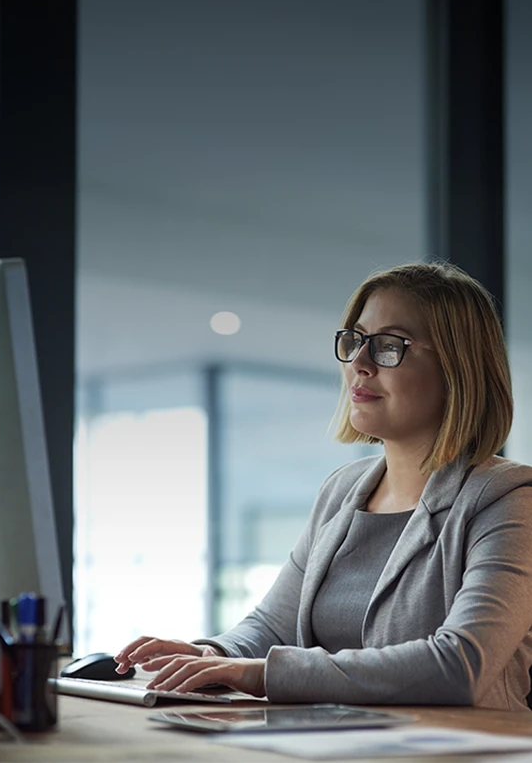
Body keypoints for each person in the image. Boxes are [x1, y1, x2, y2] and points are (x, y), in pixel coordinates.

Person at [114, 261, 532, 712]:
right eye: (355, 342)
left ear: (458, 367)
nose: (360, 363)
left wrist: (260, 674)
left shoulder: (508, 500)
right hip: (331, 744)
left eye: (390, 346)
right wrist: (214, 655)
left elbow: (460, 665)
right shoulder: (343, 490)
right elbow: (273, 626)